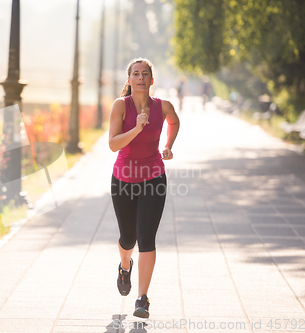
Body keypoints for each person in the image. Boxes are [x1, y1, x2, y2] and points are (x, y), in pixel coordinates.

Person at [108, 58, 180, 318]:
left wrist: (169, 145)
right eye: (135, 74)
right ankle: (124, 265)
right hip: (123, 179)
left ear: (152, 80)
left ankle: (142, 298)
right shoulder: (121, 106)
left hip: (154, 178)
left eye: (145, 74)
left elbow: (174, 122)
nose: (140, 78)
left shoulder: (163, 107)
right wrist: (137, 128)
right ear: (129, 80)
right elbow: (113, 144)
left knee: (146, 238)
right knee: (129, 238)